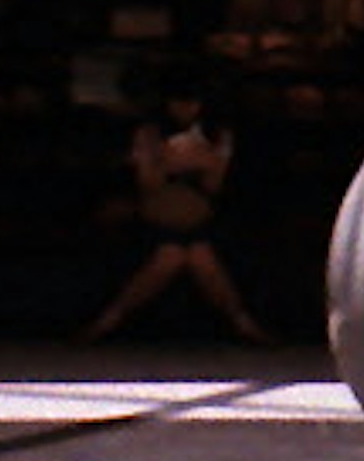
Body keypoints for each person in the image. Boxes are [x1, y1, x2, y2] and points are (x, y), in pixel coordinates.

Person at [81, 83, 265, 346]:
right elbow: (148, 185)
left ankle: (241, 320)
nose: (185, 108)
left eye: (191, 102)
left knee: (197, 253)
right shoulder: (148, 134)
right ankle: (110, 318)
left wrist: (200, 161)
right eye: (179, 101)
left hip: (200, 223)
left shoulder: (217, 135)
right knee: (172, 253)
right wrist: (168, 162)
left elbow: (214, 185)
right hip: (152, 224)